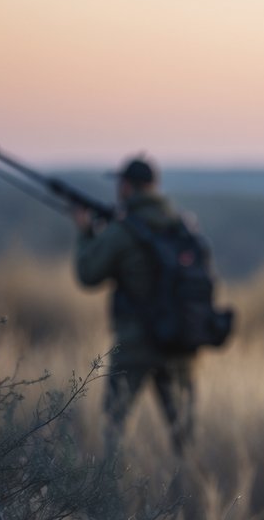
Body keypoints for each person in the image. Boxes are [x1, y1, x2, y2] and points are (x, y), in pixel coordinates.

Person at [72, 156, 196, 458]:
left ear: (126, 186)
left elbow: (88, 274)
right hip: (179, 339)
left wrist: (84, 232)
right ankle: (188, 496)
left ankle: (110, 495)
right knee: (183, 434)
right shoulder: (182, 224)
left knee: (114, 426)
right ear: (154, 186)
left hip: (134, 341)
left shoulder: (123, 230)